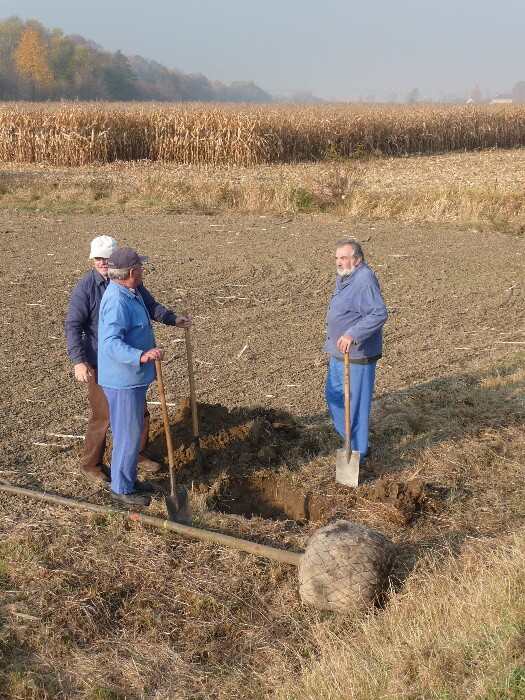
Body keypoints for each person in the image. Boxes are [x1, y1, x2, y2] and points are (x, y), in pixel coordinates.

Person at [65, 235, 190, 485]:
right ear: (92, 260)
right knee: (104, 416)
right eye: (98, 258)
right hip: (103, 361)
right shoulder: (88, 289)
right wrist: (79, 360)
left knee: (138, 414)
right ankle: (92, 464)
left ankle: (136, 456)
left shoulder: (130, 285)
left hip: (131, 365)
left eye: (106, 258)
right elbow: (73, 326)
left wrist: (172, 319)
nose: (102, 262)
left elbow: (150, 305)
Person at [98, 247, 191, 506]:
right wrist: (141, 356)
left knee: (129, 431)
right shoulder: (117, 301)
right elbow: (109, 343)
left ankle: (127, 480)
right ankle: (121, 490)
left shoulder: (133, 290)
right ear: (131, 272)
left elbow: (151, 307)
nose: (142, 270)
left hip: (132, 377)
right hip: (123, 378)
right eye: (140, 267)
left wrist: (173, 320)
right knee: (128, 434)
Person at [324, 238, 388, 464]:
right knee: (334, 398)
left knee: (357, 407)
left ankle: (358, 453)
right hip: (338, 352)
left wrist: (352, 334)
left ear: (357, 259)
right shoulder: (345, 278)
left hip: (357, 355)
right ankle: (353, 441)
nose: (338, 262)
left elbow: (379, 314)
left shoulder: (365, 280)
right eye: (337, 258)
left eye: (343, 258)